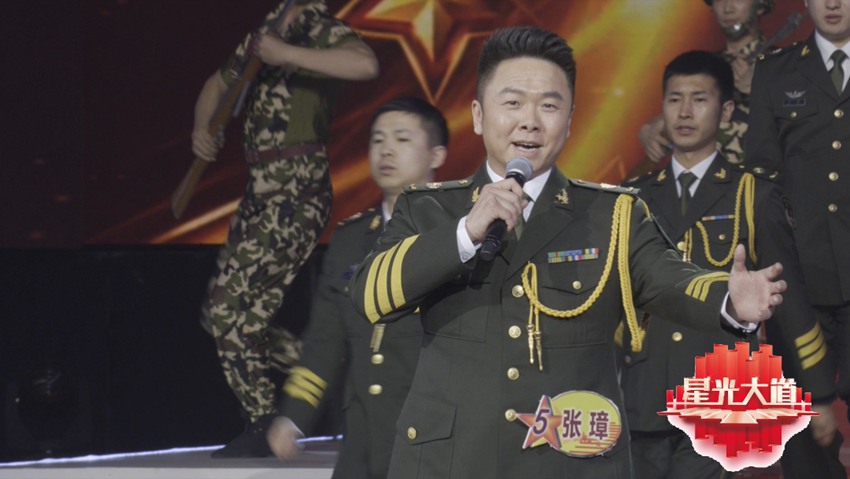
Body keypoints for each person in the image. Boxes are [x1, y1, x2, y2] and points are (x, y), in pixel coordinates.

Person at [348, 26, 786, 479]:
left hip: (570, 463)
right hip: (451, 462)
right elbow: (369, 296)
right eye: (512, 103)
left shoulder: (613, 214)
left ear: (570, 120)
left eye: (549, 105)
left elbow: (672, 278)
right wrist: (465, 233)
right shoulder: (429, 208)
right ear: (478, 115)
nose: (530, 121)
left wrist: (729, 301)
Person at [622, 50, 839, 479]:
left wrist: (817, 394)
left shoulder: (752, 194)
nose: (685, 112)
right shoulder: (634, 197)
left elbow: (791, 303)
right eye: (674, 99)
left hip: (722, 401)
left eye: (699, 99)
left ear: (724, 112)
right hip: (643, 400)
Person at [191, 0, 379, 458]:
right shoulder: (265, 30)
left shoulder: (319, 28)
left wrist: (288, 54)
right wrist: (201, 129)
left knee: (228, 308)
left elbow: (365, 64)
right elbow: (217, 84)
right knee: (223, 317)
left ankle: (264, 420)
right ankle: (337, 375)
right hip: (260, 191)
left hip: (296, 190)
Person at [265, 96, 448, 478]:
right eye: (377, 139)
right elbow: (325, 339)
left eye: (402, 139)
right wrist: (295, 416)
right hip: (363, 442)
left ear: (437, 155)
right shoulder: (350, 240)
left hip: (436, 439)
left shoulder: (460, 234)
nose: (386, 150)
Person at [748, 0, 850, 476]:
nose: (833, 3)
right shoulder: (776, 72)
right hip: (801, 286)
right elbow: (762, 189)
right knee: (807, 442)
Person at [638, 0, 775, 165]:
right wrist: (650, 129)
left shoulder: (785, 64)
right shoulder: (704, 65)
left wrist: (757, 90)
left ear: (760, 5)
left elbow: (797, 129)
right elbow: (680, 109)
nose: (728, 8)